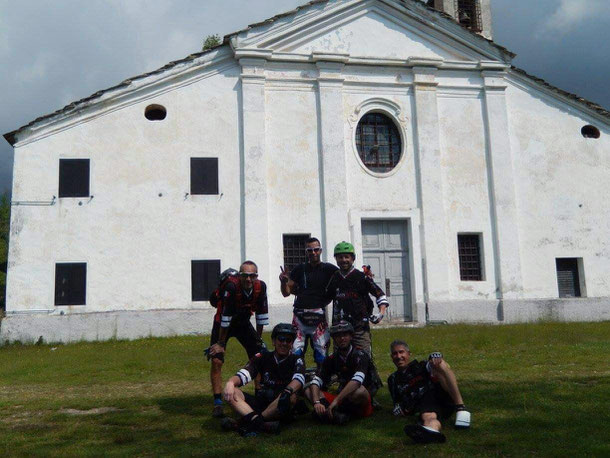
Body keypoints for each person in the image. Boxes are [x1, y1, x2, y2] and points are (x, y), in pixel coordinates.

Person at [207, 261, 269, 418]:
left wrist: (258, 340)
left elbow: (261, 316)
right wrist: (220, 343)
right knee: (216, 360)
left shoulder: (261, 287)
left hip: (243, 323)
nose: (249, 279)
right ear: (240, 276)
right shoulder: (231, 287)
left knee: (259, 356)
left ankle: (259, 395)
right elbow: (225, 318)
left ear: (257, 276)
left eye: (252, 275)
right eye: (245, 275)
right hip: (222, 325)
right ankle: (218, 402)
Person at [325, 241, 389, 394]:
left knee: (364, 358)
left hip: (359, 328)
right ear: (336, 259)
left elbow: (380, 295)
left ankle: (368, 391)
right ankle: (343, 388)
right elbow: (324, 297)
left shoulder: (361, 277)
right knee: (340, 360)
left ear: (353, 258)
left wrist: (380, 313)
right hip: (339, 330)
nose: (343, 260)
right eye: (340, 257)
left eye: (346, 257)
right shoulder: (334, 278)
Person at [221, 323, 305, 436]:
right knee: (231, 392)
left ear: (292, 343)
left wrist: (288, 390)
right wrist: (231, 383)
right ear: (273, 341)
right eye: (281, 339)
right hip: (262, 401)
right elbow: (244, 374)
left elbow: (299, 379)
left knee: (290, 396)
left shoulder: (297, 359)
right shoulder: (262, 357)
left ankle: (249, 422)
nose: (284, 343)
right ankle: (260, 423)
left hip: (281, 404)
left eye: (288, 340)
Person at [387, 339, 471, 444]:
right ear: (391, 357)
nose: (399, 356)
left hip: (442, 394)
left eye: (401, 352)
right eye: (395, 354)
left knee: (439, 364)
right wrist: (404, 408)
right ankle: (432, 431)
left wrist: (435, 356)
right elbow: (397, 405)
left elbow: (435, 364)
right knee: (429, 416)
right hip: (426, 404)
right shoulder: (393, 379)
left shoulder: (421, 366)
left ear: (409, 354)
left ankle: (461, 407)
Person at [279, 237, 338, 368]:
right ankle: (297, 381)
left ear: (320, 251)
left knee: (321, 353)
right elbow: (286, 292)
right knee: (296, 353)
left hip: (318, 316)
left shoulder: (329, 269)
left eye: (316, 250)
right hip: (300, 316)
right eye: (310, 250)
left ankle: (321, 381)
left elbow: (344, 277)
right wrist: (283, 281)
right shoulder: (299, 269)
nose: (313, 253)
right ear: (306, 252)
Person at [306, 321, 374, 424]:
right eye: (338, 336)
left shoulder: (361, 354)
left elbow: (356, 381)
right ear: (334, 339)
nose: (342, 338)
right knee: (308, 390)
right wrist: (316, 402)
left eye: (345, 335)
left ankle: (335, 414)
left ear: (351, 336)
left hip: (360, 399)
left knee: (358, 391)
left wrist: (336, 401)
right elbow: (316, 380)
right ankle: (330, 413)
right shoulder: (332, 358)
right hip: (342, 399)